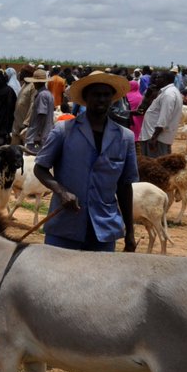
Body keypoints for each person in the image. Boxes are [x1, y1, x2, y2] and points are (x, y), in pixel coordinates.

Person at [34, 71, 137, 253]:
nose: (101, 99)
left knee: (100, 280)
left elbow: (124, 186)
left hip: (104, 228)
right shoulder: (63, 131)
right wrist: (61, 191)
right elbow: (40, 168)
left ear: (112, 99)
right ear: (85, 97)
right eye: (96, 94)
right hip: (65, 226)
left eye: (106, 95)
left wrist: (130, 232)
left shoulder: (125, 138)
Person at [138, 69, 182, 157]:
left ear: (166, 79)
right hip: (154, 136)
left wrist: (154, 138)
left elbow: (164, 119)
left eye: (159, 77)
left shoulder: (168, 94)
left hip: (157, 138)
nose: (155, 79)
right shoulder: (167, 92)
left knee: (155, 165)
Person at [24, 69, 55, 153]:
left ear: (37, 82)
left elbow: (42, 115)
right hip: (45, 133)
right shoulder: (48, 93)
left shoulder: (42, 95)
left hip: (37, 136)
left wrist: (38, 135)